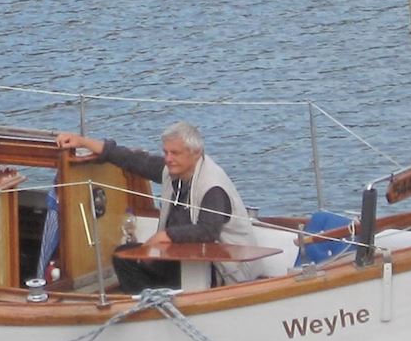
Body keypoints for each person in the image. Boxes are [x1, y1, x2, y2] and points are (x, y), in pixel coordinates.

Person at [55, 121, 264, 286]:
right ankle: (151, 303)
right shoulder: (172, 171)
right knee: (124, 255)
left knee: (139, 260)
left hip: (221, 269)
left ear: (196, 153)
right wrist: (83, 141)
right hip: (180, 255)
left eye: (175, 153)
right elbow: (131, 160)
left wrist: (166, 236)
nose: (168, 158)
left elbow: (208, 231)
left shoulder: (213, 187)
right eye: (166, 152)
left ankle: (156, 304)